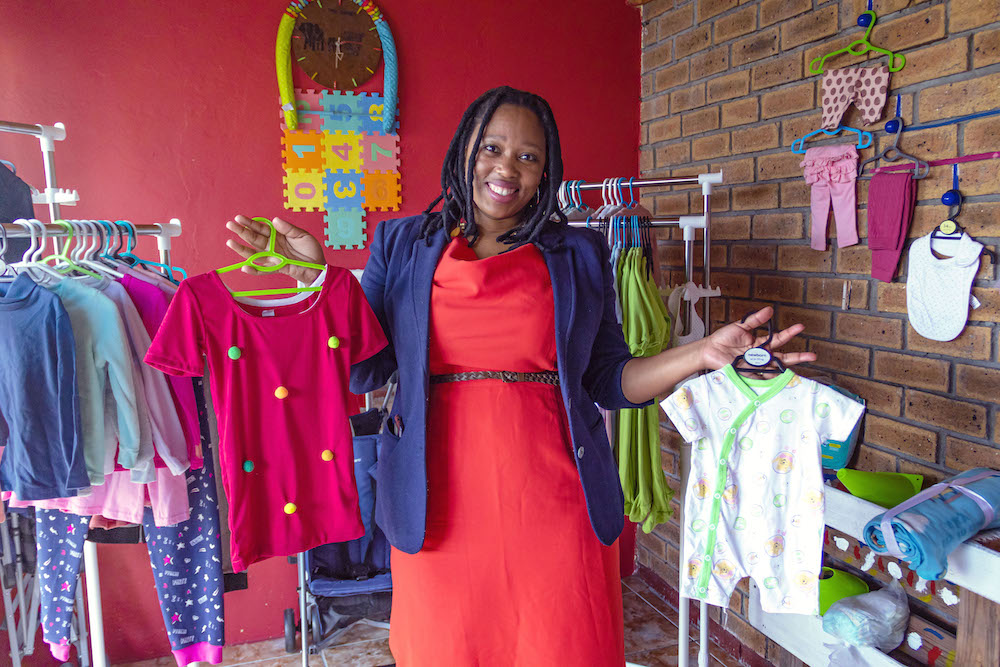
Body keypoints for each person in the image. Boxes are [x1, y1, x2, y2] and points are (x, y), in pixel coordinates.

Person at [225, 86, 815, 666]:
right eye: (492, 148)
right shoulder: (403, 242)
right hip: (437, 505)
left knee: (560, 645)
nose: (507, 167)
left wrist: (701, 355)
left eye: (528, 156)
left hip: (555, 500)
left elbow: (610, 379)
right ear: (464, 152)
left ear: (546, 171)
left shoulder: (579, 253)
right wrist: (316, 281)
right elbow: (365, 367)